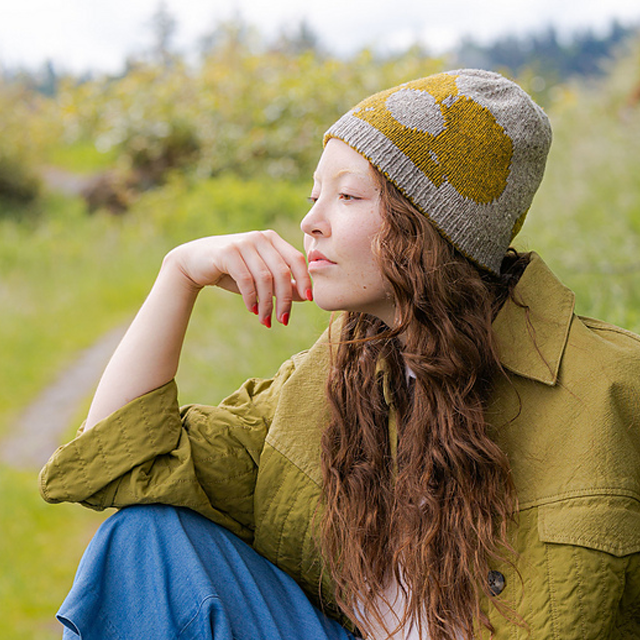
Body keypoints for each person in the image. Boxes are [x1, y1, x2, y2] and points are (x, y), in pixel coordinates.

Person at [39, 69, 640, 640]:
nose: (310, 222)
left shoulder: (612, 389)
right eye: (314, 195)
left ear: (434, 226)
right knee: (142, 536)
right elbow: (118, 461)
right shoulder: (331, 376)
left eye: (348, 196)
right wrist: (178, 276)